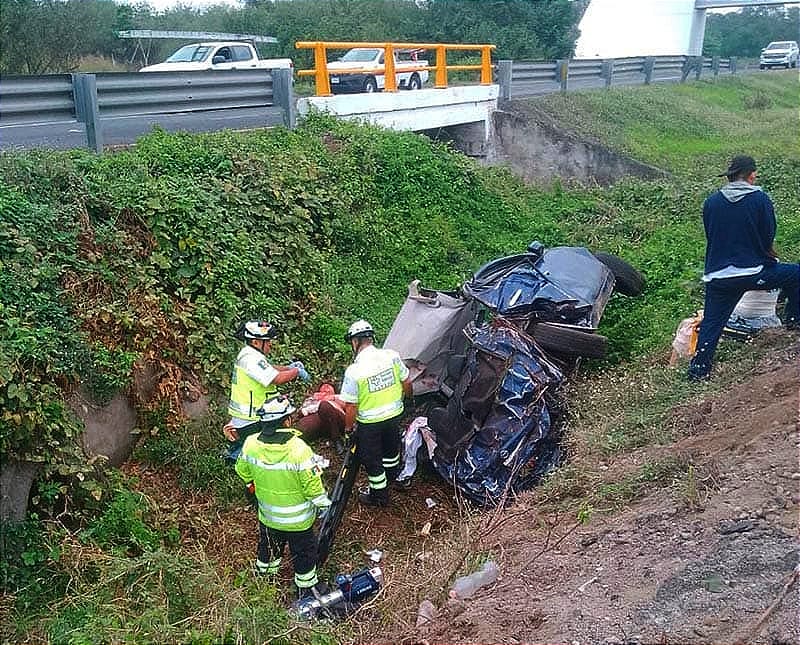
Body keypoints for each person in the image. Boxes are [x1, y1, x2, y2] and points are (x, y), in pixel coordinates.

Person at [688, 155, 799, 382]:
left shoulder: (711, 202)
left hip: (717, 276)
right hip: (751, 272)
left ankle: (698, 371)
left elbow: (712, 235)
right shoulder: (760, 199)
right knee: (795, 274)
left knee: (711, 322)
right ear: (750, 175)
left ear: (730, 177)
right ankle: (794, 323)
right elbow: (768, 234)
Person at [235, 395, 331, 599]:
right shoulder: (299, 449)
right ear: (286, 421)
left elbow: (242, 471)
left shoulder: (251, 444)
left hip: (269, 518)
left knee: (268, 550)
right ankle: (305, 589)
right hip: (299, 523)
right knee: (304, 554)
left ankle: (263, 585)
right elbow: (312, 487)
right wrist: (324, 505)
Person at [339, 319, 412, 507]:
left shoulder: (354, 371)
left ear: (355, 342)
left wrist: (348, 428)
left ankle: (379, 496)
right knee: (390, 451)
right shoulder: (392, 356)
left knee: (372, 460)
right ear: (371, 338)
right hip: (394, 415)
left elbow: (351, 406)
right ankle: (392, 476)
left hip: (370, 423)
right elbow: (407, 383)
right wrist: (409, 401)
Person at [224, 321, 311, 459]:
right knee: (271, 446)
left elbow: (269, 369)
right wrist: (296, 371)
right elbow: (276, 378)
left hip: (250, 416)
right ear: (255, 342)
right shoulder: (251, 359)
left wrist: (289, 368)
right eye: (267, 341)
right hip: (251, 419)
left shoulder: (250, 355)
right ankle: (238, 455)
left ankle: (239, 451)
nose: (270, 344)